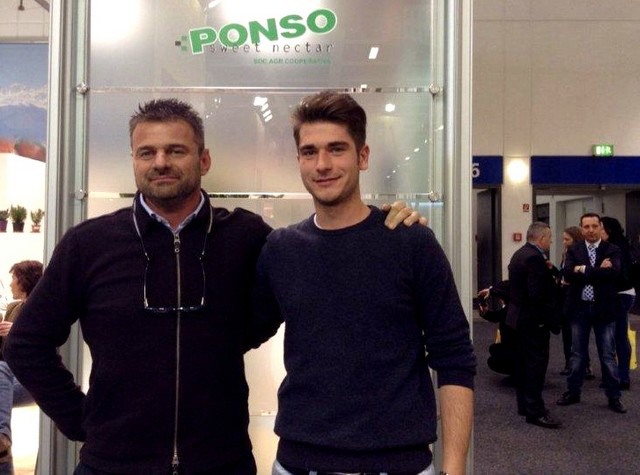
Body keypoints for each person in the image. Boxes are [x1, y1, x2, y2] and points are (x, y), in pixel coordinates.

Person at [4, 98, 422, 475]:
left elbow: (298, 282)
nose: (161, 162)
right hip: (112, 464)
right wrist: (83, 420)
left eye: (176, 150)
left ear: (203, 160)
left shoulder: (246, 236)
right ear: (133, 160)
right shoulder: (89, 244)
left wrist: (382, 222)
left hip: (222, 461)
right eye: (147, 152)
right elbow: (25, 343)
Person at [249, 91, 476, 475]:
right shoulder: (282, 249)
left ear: (363, 156)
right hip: (298, 463)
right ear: (299, 160)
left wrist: (453, 470)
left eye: (337, 149)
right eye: (309, 152)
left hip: (398, 464)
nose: (322, 164)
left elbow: (454, 357)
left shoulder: (410, 242)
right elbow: (240, 331)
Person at [556, 212, 627, 413]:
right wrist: (597, 270)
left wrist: (583, 269)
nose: (591, 230)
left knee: (607, 354)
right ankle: (573, 392)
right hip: (579, 309)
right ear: (582, 228)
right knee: (577, 354)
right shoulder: (574, 249)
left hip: (604, 309)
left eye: (595, 226)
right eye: (586, 227)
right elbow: (567, 274)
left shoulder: (612, 249)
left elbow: (614, 273)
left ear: (600, 227)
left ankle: (614, 397)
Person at [504, 222, 561, 429]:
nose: (550, 242)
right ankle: (535, 411)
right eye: (550, 238)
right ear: (542, 238)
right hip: (533, 321)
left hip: (518, 319)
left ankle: (525, 405)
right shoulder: (535, 258)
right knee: (536, 366)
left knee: (523, 365)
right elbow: (536, 294)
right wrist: (546, 318)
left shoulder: (519, 254)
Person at [0, 260, 42, 473]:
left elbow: (45, 344)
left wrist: (17, 331)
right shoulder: (13, 308)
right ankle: (2, 442)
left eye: (14, 278)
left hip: (30, 380)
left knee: (1, 371)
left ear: (24, 281)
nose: (10, 284)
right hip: (8, 378)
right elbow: (3, 352)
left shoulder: (42, 308)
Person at [601, 216, 636, 390]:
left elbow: (619, 273)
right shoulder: (618, 244)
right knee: (615, 336)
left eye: (600, 228)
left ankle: (622, 377)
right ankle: (616, 375)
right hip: (620, 293)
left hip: (621, 294)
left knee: (619, 336)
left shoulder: (616, 247)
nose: (597, 231)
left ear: (608, 230)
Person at [558, 226, 586, 376]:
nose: (564, 242)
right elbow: (564, 273)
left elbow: (583, 274)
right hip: (565, 294)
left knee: (577, 332)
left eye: (567, 239)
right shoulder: (565, 254)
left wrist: (571, 278)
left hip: (576, 296)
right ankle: (569, 362)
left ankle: (584, 364)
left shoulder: (581, 255)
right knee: (567, 332)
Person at [477, 280, 518, 378]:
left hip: (517, 348)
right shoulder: (511, 310)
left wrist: (491, 291)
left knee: (495, 354)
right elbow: (497, 316)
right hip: (519, 347)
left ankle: (518, 373)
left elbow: (497, 316)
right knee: (495, 349)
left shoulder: (511, 311)